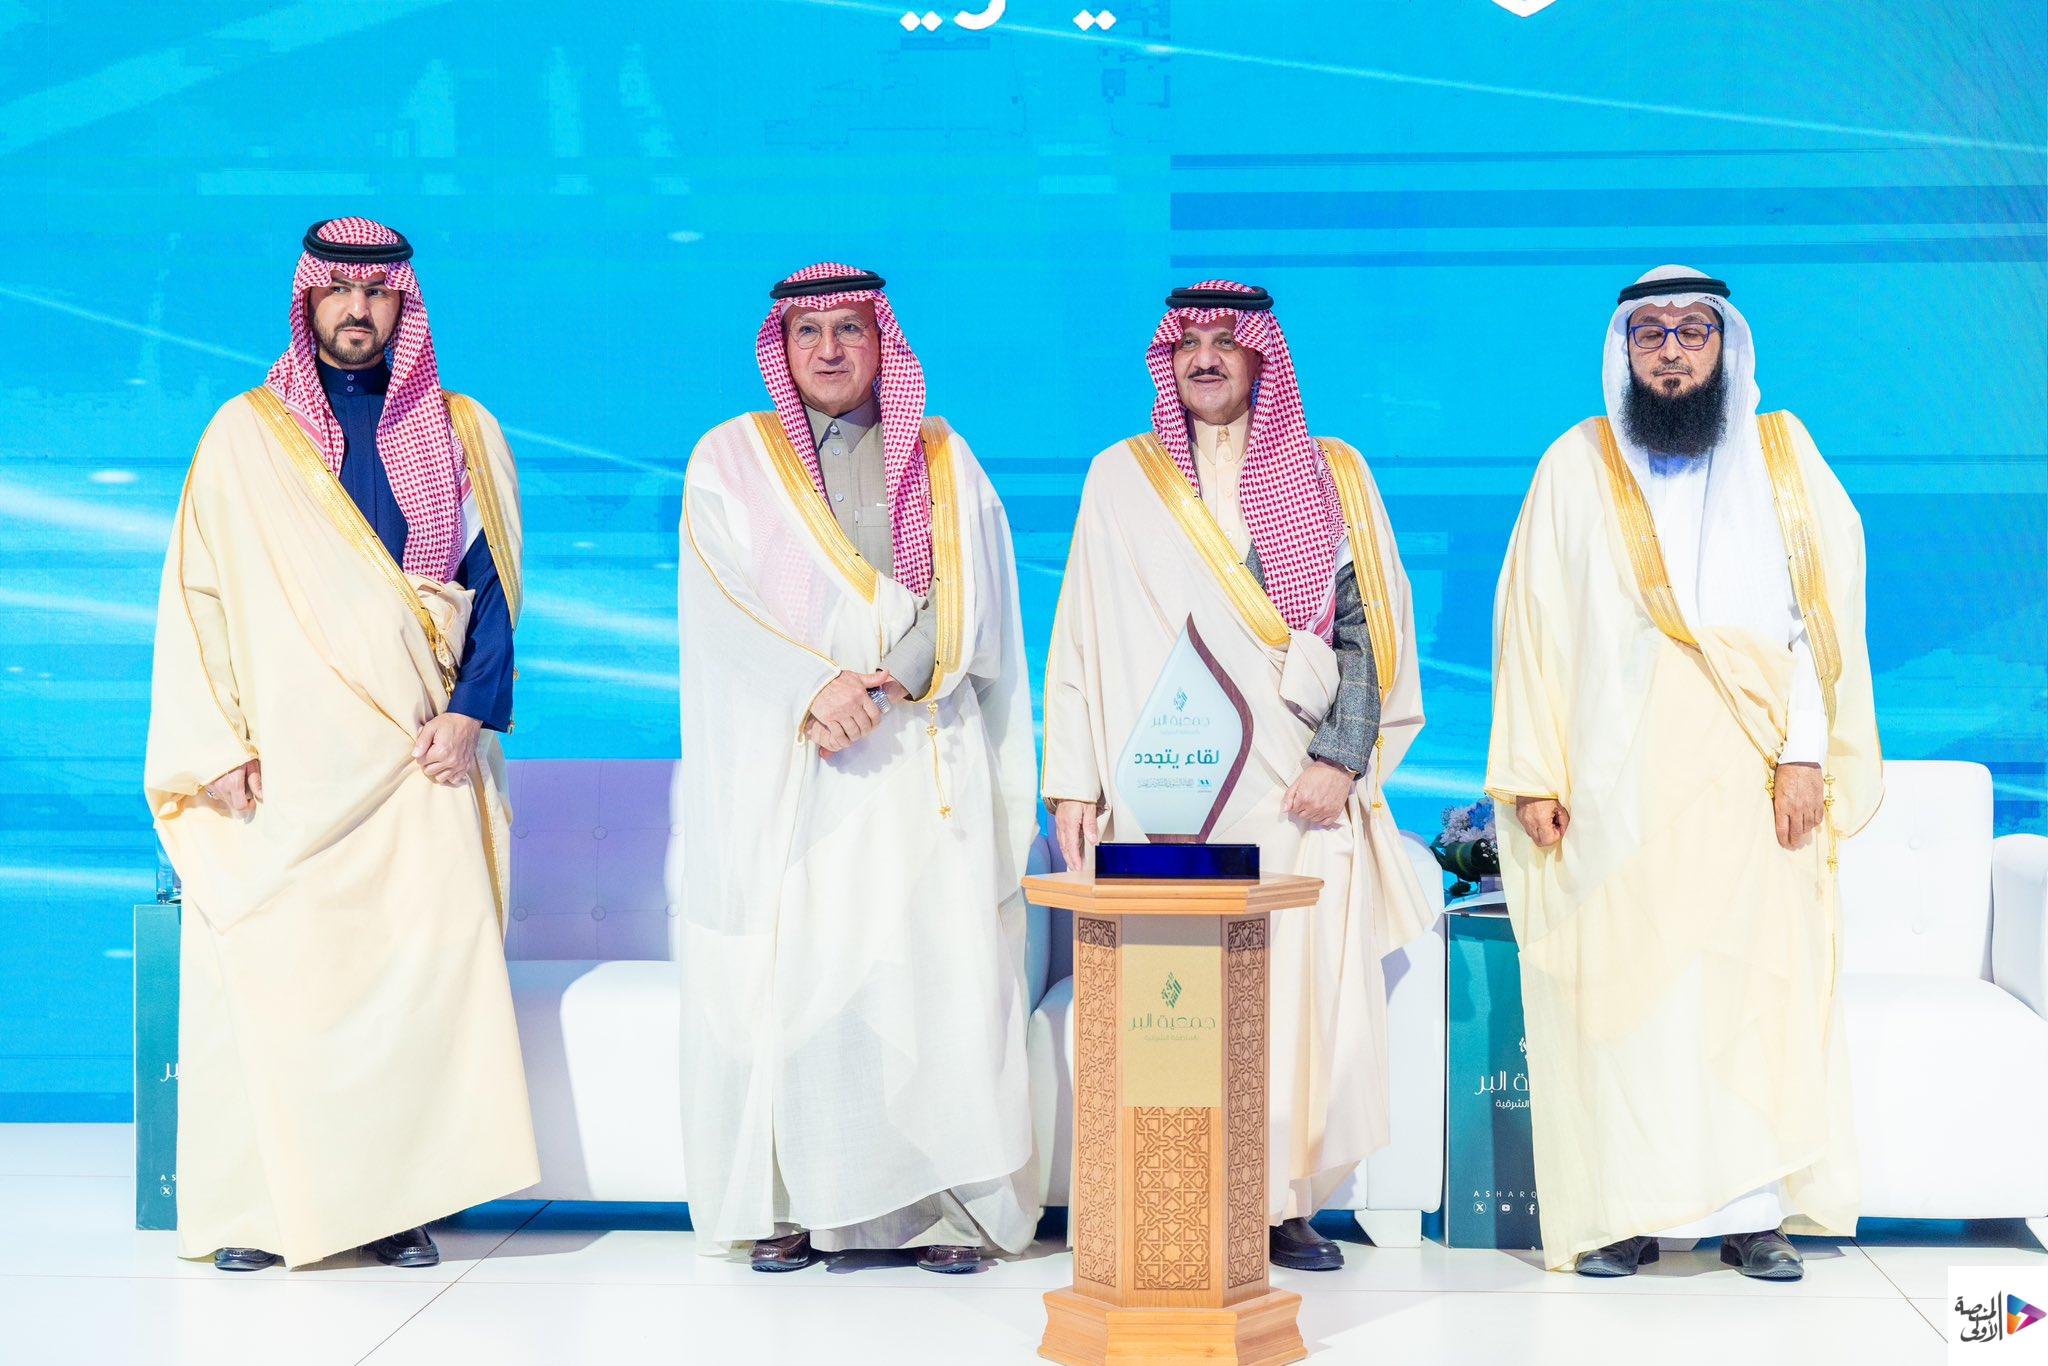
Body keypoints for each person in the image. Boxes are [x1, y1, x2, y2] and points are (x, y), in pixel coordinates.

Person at [144, 217, 537, 1271]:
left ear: (404, 306)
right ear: (308, 299)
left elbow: (493, 585)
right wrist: (215, 742)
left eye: (379, 294)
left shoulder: (461, 429)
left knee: (409, 992)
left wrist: (471, 712)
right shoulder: (244, 434)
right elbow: (196, 595)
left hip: (420, 759)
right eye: (339, 291)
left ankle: (395, 1208)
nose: (358, 311)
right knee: (282, 985)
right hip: (289, 767)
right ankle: (265, 1215)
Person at [1487, 265, 1882, 1279]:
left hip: (1750, 788)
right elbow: (1530, 626)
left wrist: (1803, 754)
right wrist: (1533, 773)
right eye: (1650, 333)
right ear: (1623, 349)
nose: (1669, 351)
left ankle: (1754, 1216)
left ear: (1725, 346)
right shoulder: (1573, 464)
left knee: (1746, 998)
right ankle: (1625, 1213)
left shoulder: (1781, 459)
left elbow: (1816, 631)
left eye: (1690, 332)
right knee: (1626, 1006)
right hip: (1610, 795)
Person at [1041, 280, 1433, 1271]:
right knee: (1170, 998)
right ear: (1166, 360)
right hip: (1162, 796)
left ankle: (1279, 1203)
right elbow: (1078, 635)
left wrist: (1340, 757)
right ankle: (1171, 1199)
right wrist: (1073, 779)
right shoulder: (1119, 477)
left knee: (1290, 997)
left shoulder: (1331, 473)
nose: (1206, 358)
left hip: (1292, 793)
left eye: (1226, 340)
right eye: (1189, 343)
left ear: (1264, 356)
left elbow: (1368, 628)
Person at [675, 263, 1040, 1275]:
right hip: (801, 769)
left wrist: (888, 681)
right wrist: (815, 688)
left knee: (935, 981)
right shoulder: (731, 458)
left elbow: (972, 593)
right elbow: (721, 604)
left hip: (920, 758)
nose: (829, 349)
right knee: (807, 983)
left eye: (849, 329)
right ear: (780, 348)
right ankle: (796, 1205)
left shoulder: (943, 456)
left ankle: (942, 1211)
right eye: (808, 332)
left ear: (883, 342)